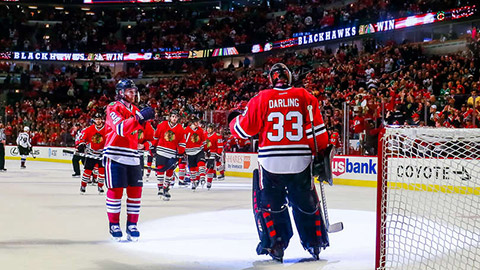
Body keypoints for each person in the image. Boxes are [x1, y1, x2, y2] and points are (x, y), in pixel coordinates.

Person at [229, 63, 330, 262]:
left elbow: (243, 130)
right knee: (304, 201)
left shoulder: (261, 98)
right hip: (300, 160)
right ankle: (314, 242)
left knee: (271, 203)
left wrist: (233, 120)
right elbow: (318, 135)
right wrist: (319, 157)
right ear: (290, 77)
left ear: (271, 79)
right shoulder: (305, 96)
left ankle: (276, 243)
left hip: (270, 161)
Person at [103, 79, 155, 241]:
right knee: (116, 192)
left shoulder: (136, 110)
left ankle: (132, 224)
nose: (133, 94)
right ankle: (114, 225)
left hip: (133, 158)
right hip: (115, 155)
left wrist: (145, 145)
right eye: (130, 91)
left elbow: (151, 138)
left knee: (135, 193)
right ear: (120, 92)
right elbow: (120, 128)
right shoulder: (113, 107)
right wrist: (138, 117)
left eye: (134, 91)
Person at [153, 110, 185, 200]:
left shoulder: (180, 128)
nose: (174, 118)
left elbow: (182, 141)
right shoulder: (162, 124)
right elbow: (156, 136)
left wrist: (181, 152)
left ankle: (166, 188)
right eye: (173, 116)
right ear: (170, 117)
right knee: (160, 169)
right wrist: (153, 147)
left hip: (172, 153)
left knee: (170, 172)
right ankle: (160, 187)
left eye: (176, 117)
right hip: (161, 151)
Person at [79, 113, 106, 195]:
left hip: (102, 153)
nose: (98, 121)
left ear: (102, 120)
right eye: (96, 119)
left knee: (102, 172)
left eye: (99, 119)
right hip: (91, 153)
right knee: (87, 171)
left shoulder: (107, 129)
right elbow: (83, 138)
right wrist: (82, 144)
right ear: (94, 120)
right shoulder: (89, 129)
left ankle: (100, 186)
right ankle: (83, 186)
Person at [184, 116, 206, 190]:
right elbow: (183, 141)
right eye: (196, 122)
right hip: (190, 152)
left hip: (199, 150)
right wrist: (183, 150)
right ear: (193, 123)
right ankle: (194, 181)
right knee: (192, 167)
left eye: (198, 122)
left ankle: (202, 177)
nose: (198, 123)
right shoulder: (186, 130)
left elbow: (203, 141)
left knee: (201, 162)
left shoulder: (200, 130)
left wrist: (206, 149)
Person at [205, 123, 221, 189]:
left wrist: (218, 153)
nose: (208, 129)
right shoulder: (204, 134)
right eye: (207, 128)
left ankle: (209, 182)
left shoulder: (217, 136)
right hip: (205, 153)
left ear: (212, 129)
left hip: (213, 153)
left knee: (210, 167)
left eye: (210, 128)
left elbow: (220, 146)